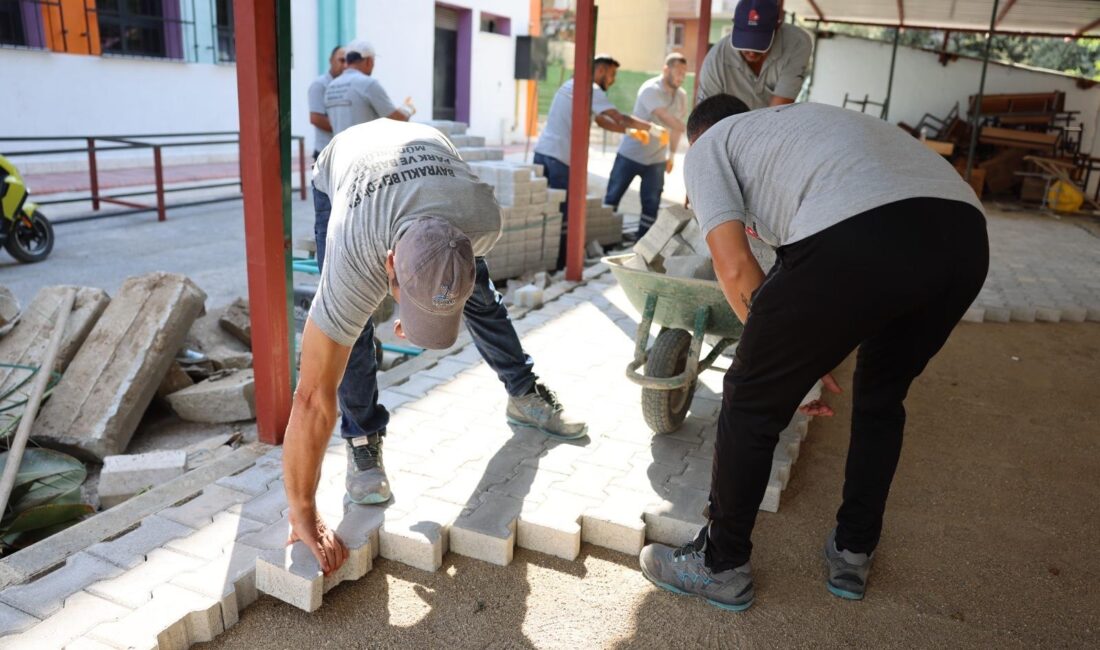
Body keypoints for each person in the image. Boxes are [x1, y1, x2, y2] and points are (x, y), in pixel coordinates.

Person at [638, 95, 989, 611]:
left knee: (750, 396)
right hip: (964, 238)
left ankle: (720, 564)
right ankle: (854, 551)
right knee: (881, 400)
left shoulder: (710, 146)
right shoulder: (798, 132)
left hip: (862, 226)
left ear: (701, 134)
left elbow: (734, 268)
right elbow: (802, 281)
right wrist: (804, 350)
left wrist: (785, 372)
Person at [287, 119, 588, 574]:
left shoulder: (483, 221)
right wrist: (302, 510)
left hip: (433, 170)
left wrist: (429, 305)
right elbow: (311, 398)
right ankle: (363, 438)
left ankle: (524, 395)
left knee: (481, 298)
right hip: (347, 168)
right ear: (389, 265)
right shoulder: (357, 251)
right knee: (355, 331)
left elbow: (447, 280)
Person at [533, 54, 657, 269]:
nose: (613, 80)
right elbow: (617, 117)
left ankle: (546, 260)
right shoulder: (590, 88)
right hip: (560, 159)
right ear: (600, 71)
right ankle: (564, 262)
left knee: (547, 210)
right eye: (612, 74)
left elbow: (602, 121)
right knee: (565, 212)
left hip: (543, 152)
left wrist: (630, 131)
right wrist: (652, 129)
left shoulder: (571, 85)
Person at [603, 52, 689, 239]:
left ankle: (643, 241)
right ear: (666, 69)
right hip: (630, 154)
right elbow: (666, 118)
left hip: (656, 159)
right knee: (612, 197)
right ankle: (604, 238)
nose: (681, 76)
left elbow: (675, 130)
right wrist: (695, 130)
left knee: (651, 203)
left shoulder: (682, 96)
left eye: (684, 72)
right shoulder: (650, 89)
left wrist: (672, 155)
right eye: (678, 71)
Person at [696, 0, 812, 109]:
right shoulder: (716, 60)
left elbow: (777, 113)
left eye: (759, 44)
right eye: (745, 42)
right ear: (734, 28)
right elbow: (706, 117)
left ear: (777, 28)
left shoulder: (796, 44)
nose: (751, 52)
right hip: (729, 124)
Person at [308, 46, 346, 161]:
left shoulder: (348, 84)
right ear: (331, 60)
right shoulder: (320, 85)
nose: (345, 65)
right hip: (326, 153)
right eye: (341, 60)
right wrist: (345, 128)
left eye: (348, 61)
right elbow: (316, 118)